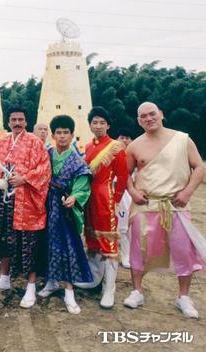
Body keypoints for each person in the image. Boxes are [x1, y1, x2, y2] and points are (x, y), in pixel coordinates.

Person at [123, 102, 205, 318]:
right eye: (143, 116)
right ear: (138, 121)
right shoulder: (134, 146)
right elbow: (125, 176)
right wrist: (133, 192)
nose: (149, 118)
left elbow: (199, 167)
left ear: (161, 114)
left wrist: (187, 192)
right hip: (146, 204)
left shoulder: (182, 139)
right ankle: (137, 291)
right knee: (139, 249)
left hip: (176, 205)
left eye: (152, 114)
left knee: (183, 250)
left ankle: (183, 297)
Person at [0, 106, 51, 309]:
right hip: (5, 200)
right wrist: (0, 181)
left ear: (26, 122)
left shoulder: (35, 142)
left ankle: (31, 286)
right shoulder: (2, 143)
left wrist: (24, 179)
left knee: (28, 243)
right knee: (3, 239)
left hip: (26, 201)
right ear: (8, 122)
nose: (17, 123)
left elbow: (44, 169)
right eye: (13, 119)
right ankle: (4, 277)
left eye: (21, 119)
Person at [37, 115, 92, 314]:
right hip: (46, 206)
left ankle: (69, 290)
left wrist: (75, 197)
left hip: (64, 209)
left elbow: (83, 184)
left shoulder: (77, 160)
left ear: (72, 135)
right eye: (58, 133)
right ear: (52, 135)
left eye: (65, 133)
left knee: (68, 246)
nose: (62, 136)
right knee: (47, 243)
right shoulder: (47, 153)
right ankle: (51, 282)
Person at [74, 106, 128, 309]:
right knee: (92, 239)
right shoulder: (87, 146)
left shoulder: (116, 146)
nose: (98, 126)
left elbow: (122, 177)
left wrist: (116, 199)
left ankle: (109, 289)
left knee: (108, 243)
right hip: (88, 198)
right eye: (94, 122)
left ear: (108, 125)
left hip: (105, 197)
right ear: (89, 125)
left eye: (102, 122)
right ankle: (94, 280)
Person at [116, 127, 134, 268]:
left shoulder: (135, 154)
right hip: (115, 193)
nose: (125, 140)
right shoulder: (113, 153)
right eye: (122, 137)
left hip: (131, 195)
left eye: (128, 138)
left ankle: (126, 255)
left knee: (127, 227)